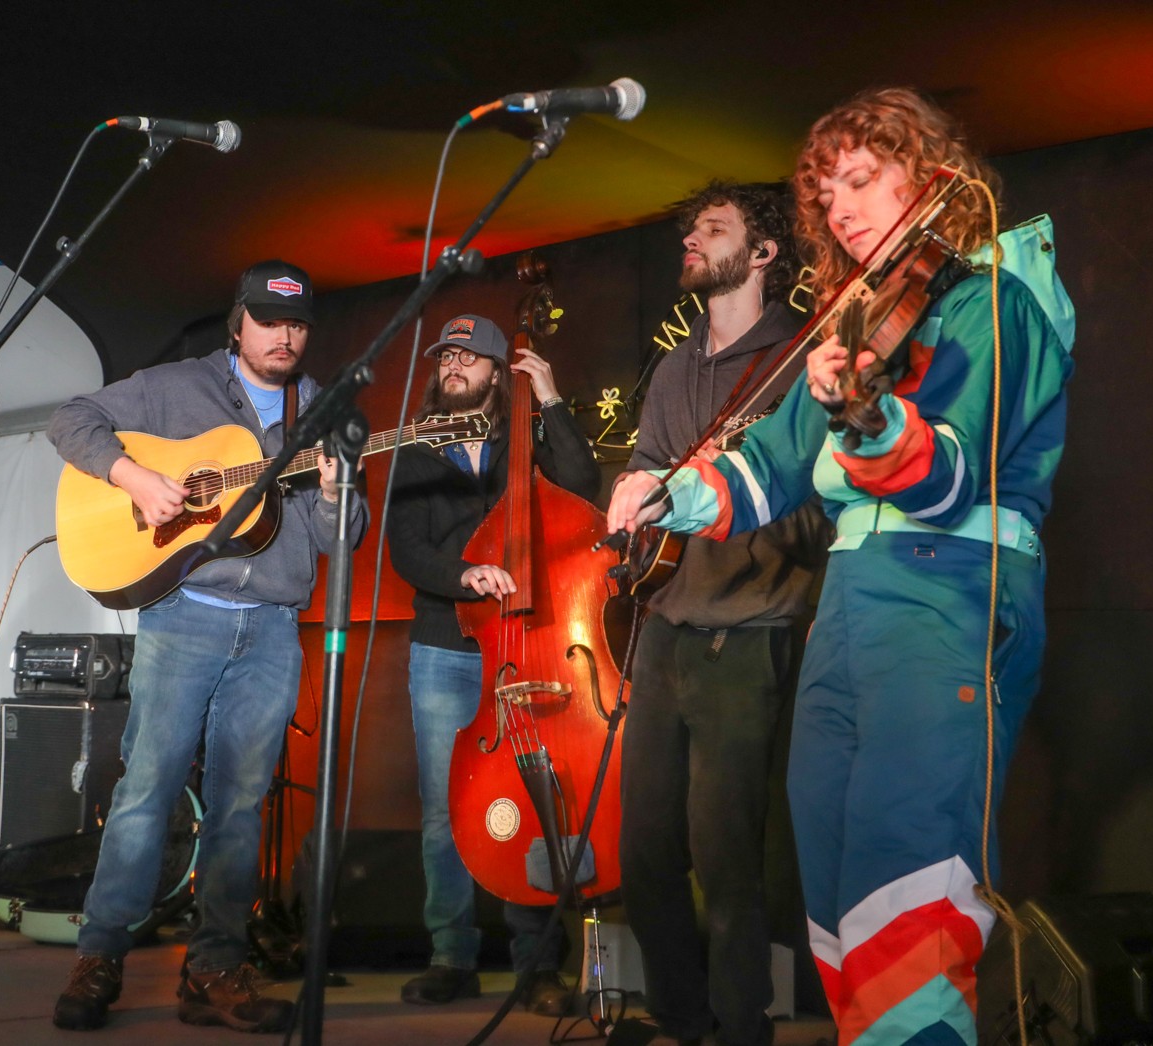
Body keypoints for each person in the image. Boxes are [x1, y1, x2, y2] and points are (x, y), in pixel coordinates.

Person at [609, 87, 1075, 1045]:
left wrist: (868, 418)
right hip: (851, 602)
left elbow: (948, 476)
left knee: (909, 876)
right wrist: (667, 492)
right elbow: (770, 465)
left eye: (862, 181)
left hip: (948, 591)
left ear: (933, 176)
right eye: (828, 196)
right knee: (831, 880)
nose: (841, 210)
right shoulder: (859, 322)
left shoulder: (997, 300)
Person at [47, 260, 366, 1034]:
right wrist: (132, 476)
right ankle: (99, 956)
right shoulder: (178, 385)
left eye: (297, 324)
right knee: (146, 790)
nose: (284, 336)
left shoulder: (323, 410)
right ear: (238, 322)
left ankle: (214, 970)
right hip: (184, 614)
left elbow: (343, 537)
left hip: (274, 627)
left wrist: (334, 495)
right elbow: (72, 420)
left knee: (240, 807)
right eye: (269, 320)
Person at [617, 182, 830, 1046]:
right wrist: (639, 498)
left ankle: (743, 1027)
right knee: (643, 855)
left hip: (748, 633)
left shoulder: (801, 359)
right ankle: (679, 1019)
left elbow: (820, 517)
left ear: (764, 253)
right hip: (666, 628)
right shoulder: (673, 367)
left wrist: (730, 494)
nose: (692, 240)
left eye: (714, 228)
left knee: (728, 860)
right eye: (691, 229)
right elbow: (645, 466)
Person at [386, 313, 600, 1015]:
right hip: (444, 644)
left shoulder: (525, 434)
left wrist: (552, 399)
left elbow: (582, 485)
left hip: (523, 643)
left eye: (469, 357)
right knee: (443, 809)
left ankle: (536, 964)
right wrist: (463, 575)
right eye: (446, 356)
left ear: (497, 373)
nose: (453, 365)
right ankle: (451, 956)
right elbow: (406, 549)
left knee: (533, 795)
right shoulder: (417, 446)